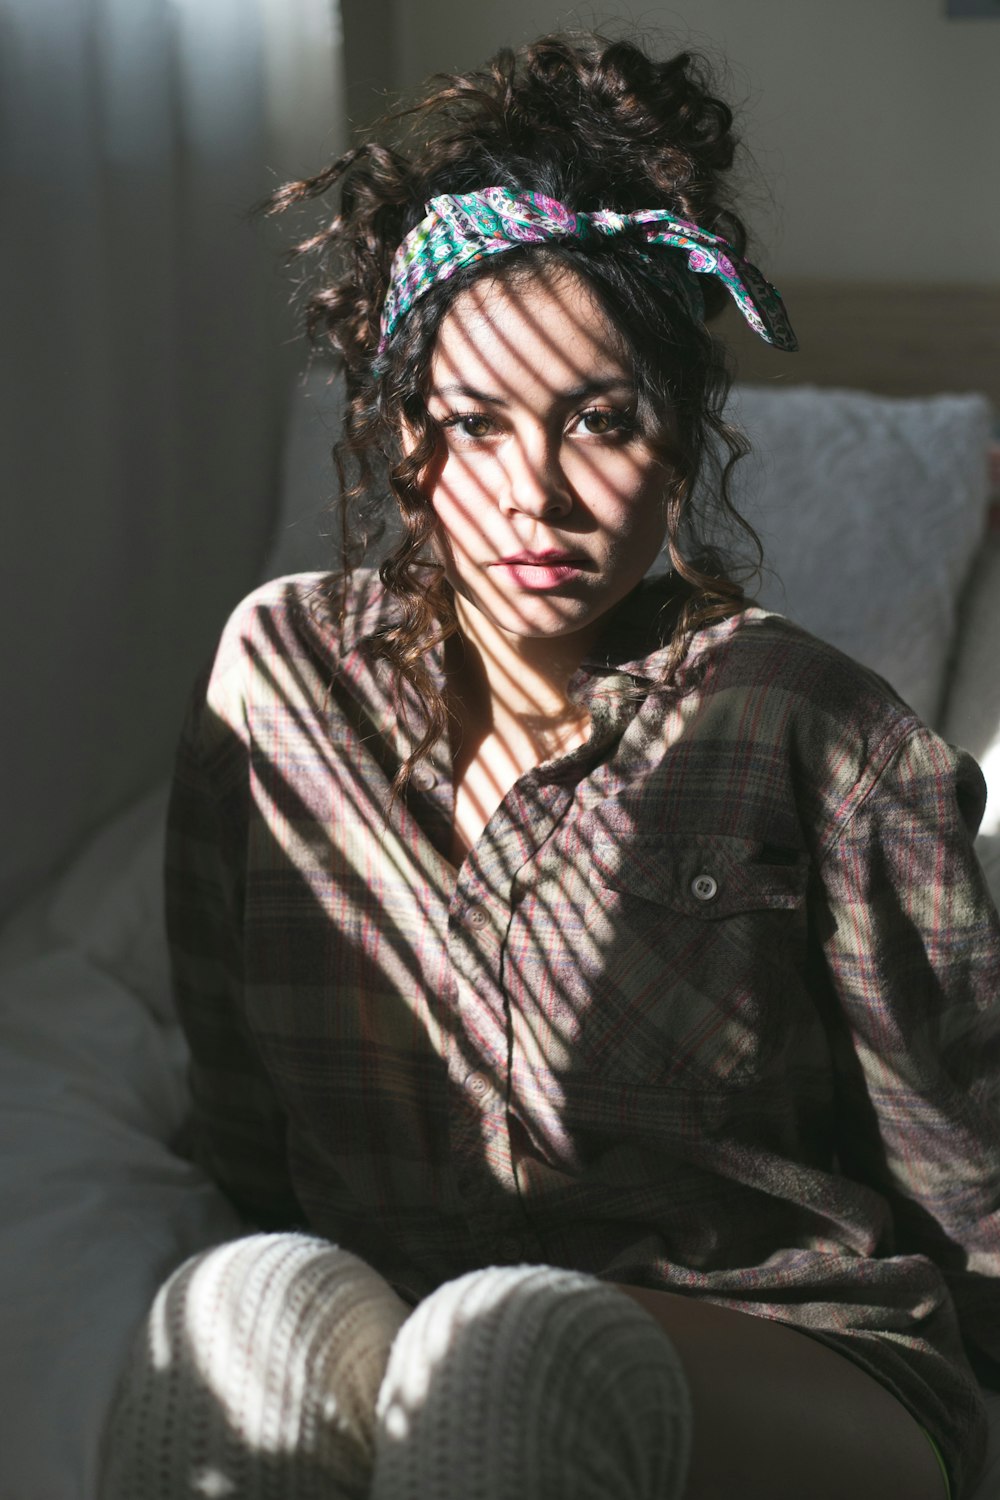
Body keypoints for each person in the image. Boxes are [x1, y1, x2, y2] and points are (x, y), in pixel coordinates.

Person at [100, 31, 1000, 1500]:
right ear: (404, 435)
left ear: (687, 437)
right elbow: (247, 1112)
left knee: (514, 1348)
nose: (536, 496)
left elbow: (966, 1184)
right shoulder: (281, 683)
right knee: (232, 1317)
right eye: (473, 424)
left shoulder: (821, 735)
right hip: (405, 1309)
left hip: (794, 1350)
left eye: (602, 420)